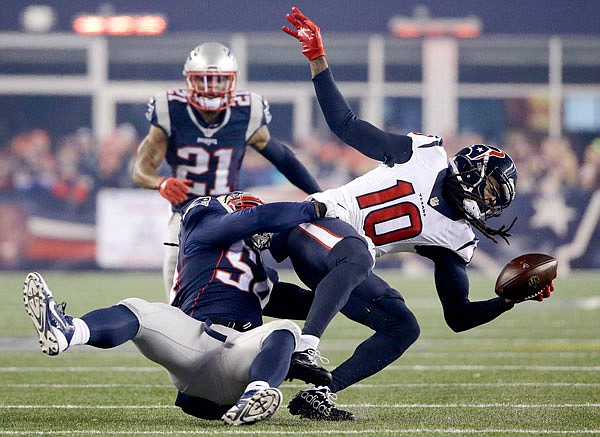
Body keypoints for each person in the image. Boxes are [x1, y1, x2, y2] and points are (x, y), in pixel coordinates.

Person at [273, 7, 556, 420]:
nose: (492, 204)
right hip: (315, 226)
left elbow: (456, 316)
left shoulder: (457, 236)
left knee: (403, 326)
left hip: (341, 266)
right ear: (473, 173)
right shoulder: (423, 154)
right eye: (493, 191)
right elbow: (345, 123)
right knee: (360, 254)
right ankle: (305, 346)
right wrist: (318, 58)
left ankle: (320, 392)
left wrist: (509, 300)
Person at [22, 192, 333, 426]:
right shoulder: (204, 226)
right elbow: (253, 219)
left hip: (238, 357)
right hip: (193, 339)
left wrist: (345, 275)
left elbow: (319, 303)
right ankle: (68, 331)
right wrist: (309, 210)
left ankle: (257, 394)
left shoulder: (264, 276)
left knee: (285, 330)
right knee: (139, 310)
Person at [132, 42, 321, 297]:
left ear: (231, 82)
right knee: (176, 290)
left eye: (219, 80)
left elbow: (283, 158)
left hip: (227, 211)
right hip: (185, 211)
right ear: (189, 81)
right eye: (204, 80)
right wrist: (161, 183)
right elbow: (141, 168)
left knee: (244, 283)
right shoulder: (171, 109)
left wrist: (319, 193)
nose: (212, 89)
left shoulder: (247, 111)